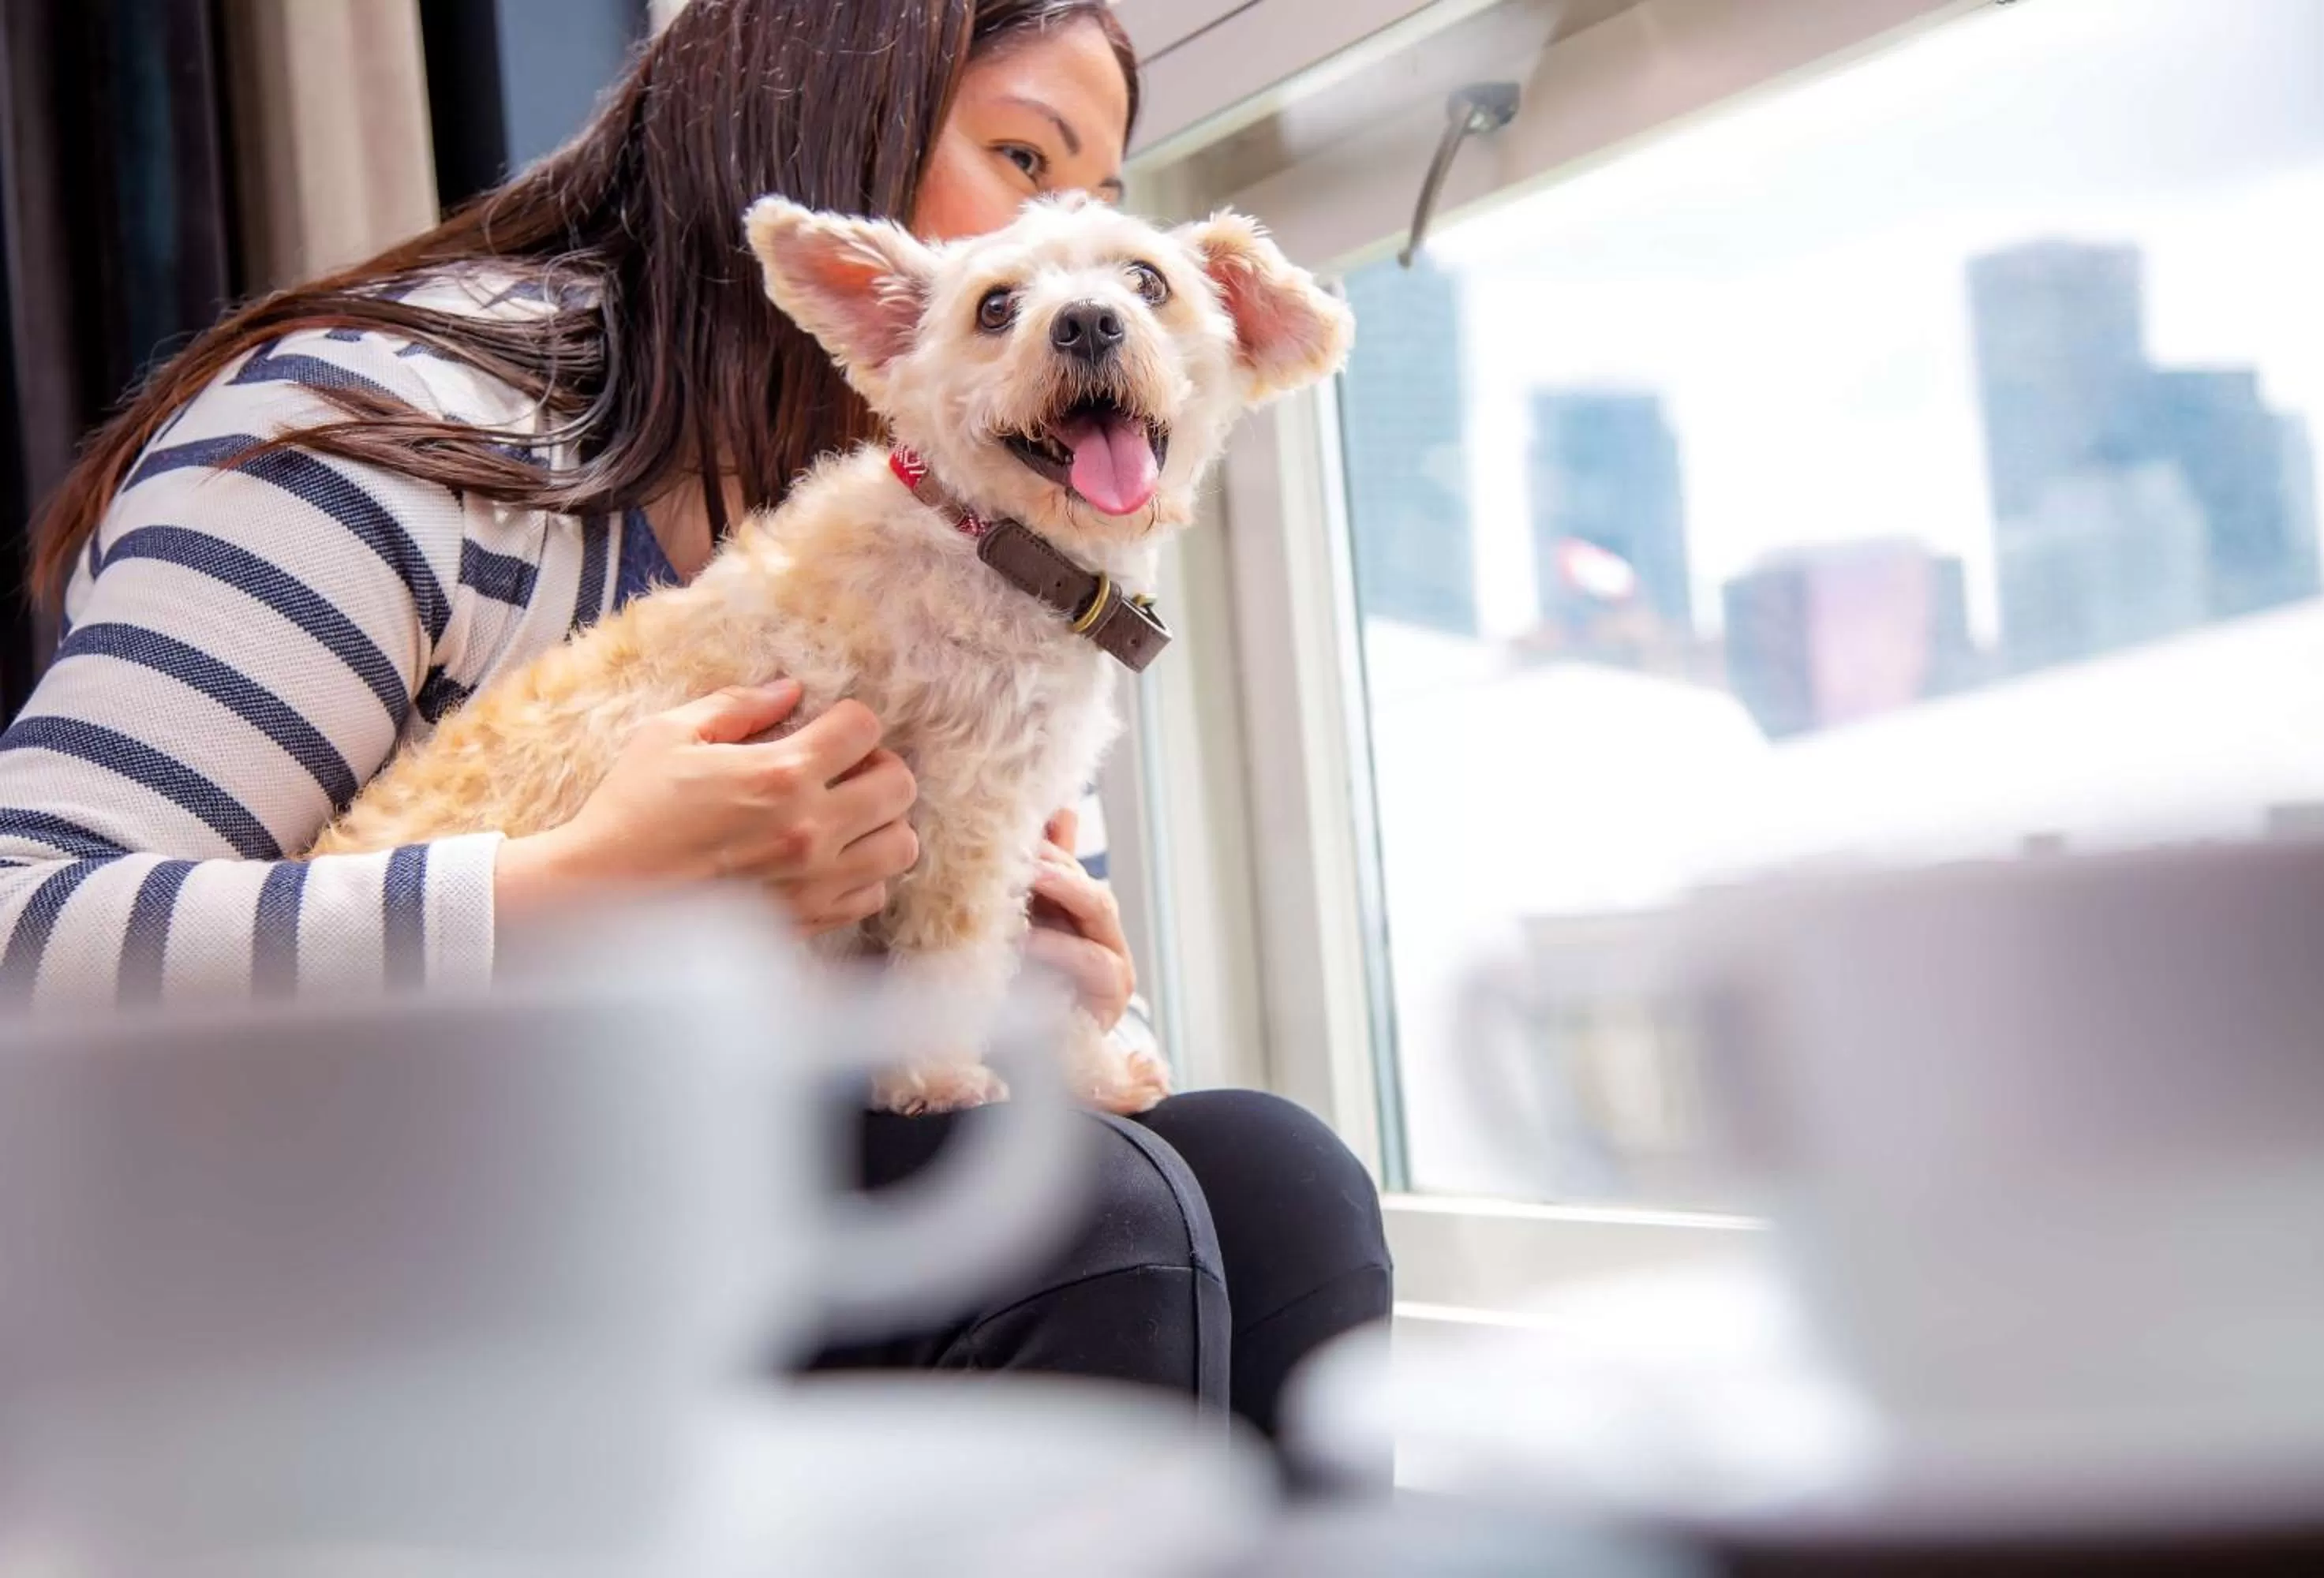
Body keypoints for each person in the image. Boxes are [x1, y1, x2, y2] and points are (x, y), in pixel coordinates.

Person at [2, 0, 1388, 1445]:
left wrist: (1046, 991)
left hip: (680, 1148)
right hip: (346, 1212)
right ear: (829, 128)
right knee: (1091, 1215)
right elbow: (23, 933)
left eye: (1104, 200)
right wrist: (573, 888)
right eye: (1027, 163)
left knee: (1276, 1176)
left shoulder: (963, 527)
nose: (1080, 253)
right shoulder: (365, 424)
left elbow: (929, 987)